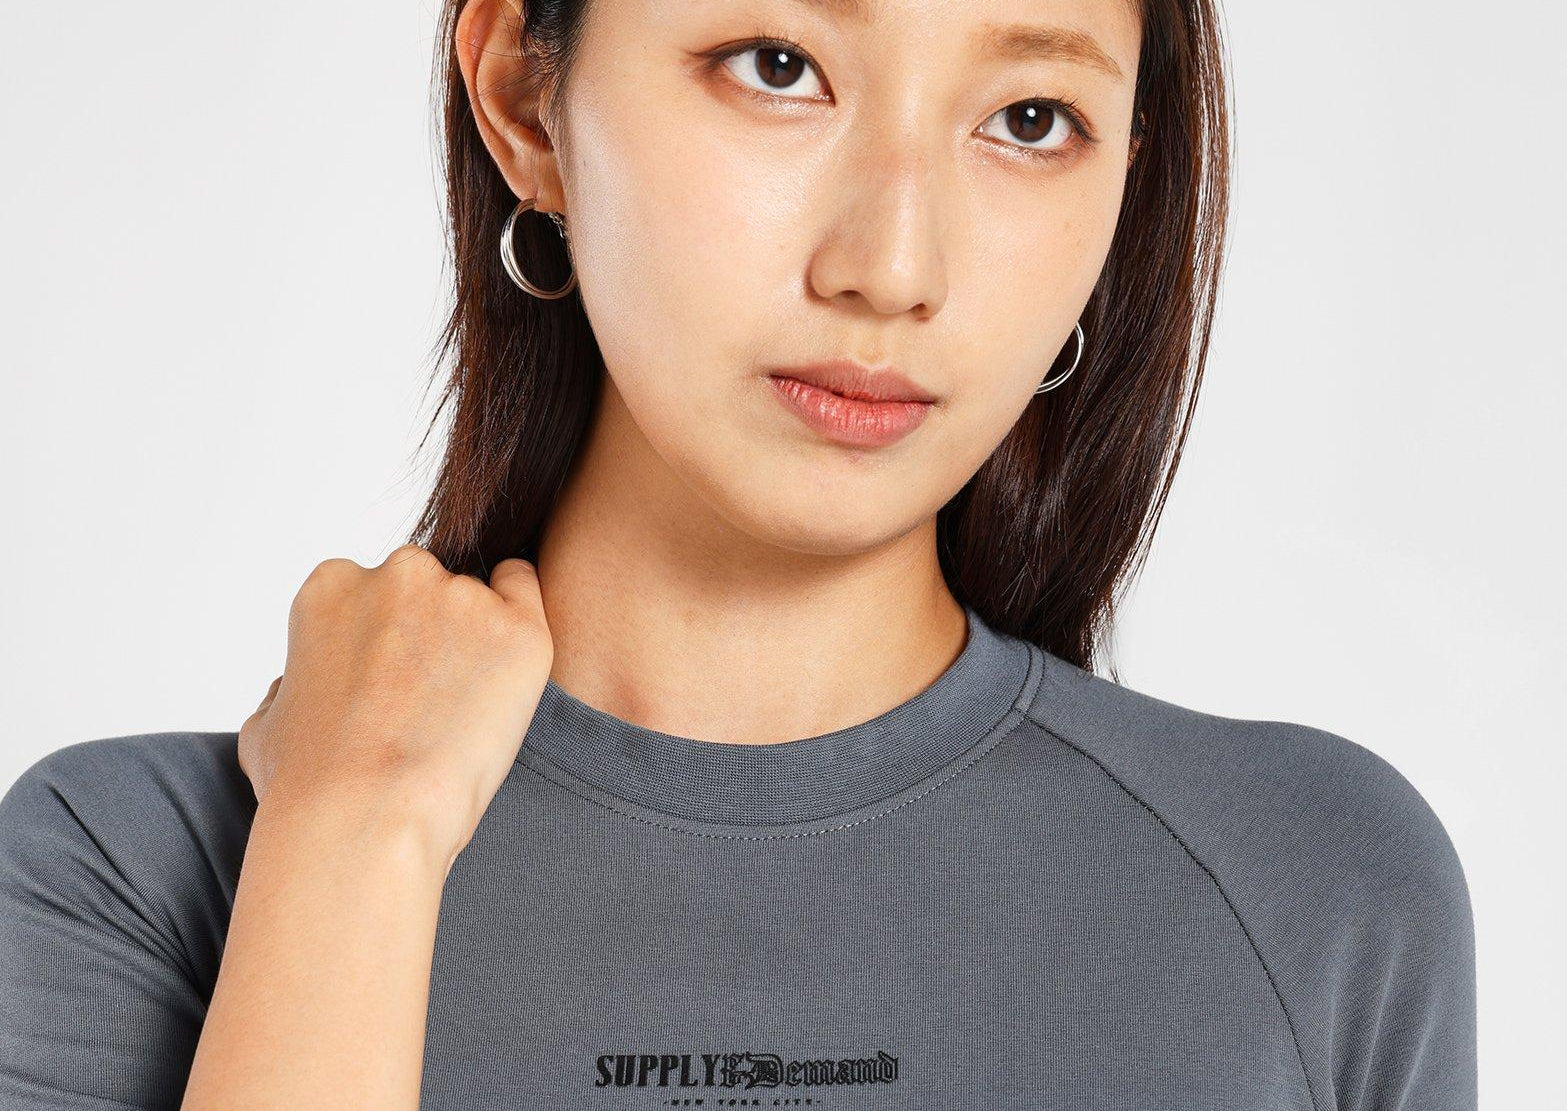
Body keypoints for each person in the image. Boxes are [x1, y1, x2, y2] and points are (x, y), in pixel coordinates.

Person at [0, 0, 1477, 1108]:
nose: (893, 267)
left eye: (1030, 119)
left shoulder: (1314, 892)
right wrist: (350, 848)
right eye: (779, 66)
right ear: (524, 100)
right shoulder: (139, 879)